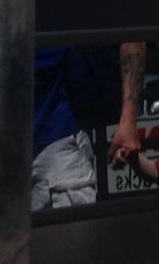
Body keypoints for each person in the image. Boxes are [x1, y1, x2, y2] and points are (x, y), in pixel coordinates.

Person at [32, 41, 145, 209]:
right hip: (6, 150)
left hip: (57, 144)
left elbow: (132, 38)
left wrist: (128, 120)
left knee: (68, 232)